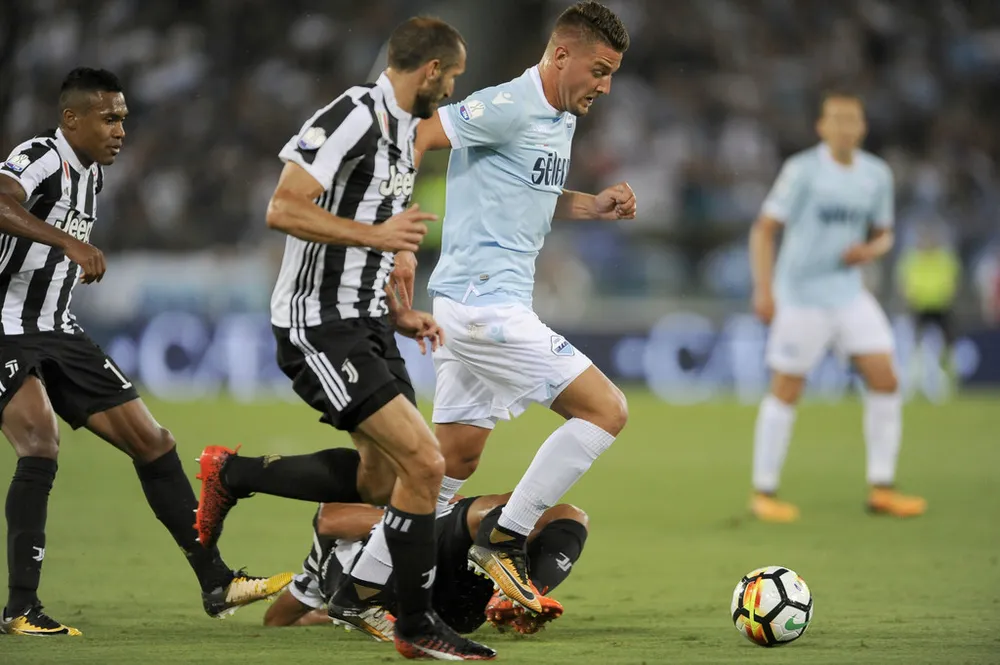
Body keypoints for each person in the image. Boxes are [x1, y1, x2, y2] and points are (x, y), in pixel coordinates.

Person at [193, 17, 495, 661]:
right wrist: (379, 238)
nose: (452, 89)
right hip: (316, 324)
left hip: (365, 321)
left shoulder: (404, 135)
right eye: (454, 76)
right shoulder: (354, 114)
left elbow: (372, 230)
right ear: (433, 71)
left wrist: (398, 311)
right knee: (427, 463)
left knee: (383, 481)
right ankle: (415, 624)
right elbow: (283, 206)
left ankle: (233, 474)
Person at [342, 0, 634, 617]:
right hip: (483, 306)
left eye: (611, 75)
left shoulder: (560, 115)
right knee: (606, 410)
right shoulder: (508, 105)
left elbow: (530, 196)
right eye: (599, 70)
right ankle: (503, 539)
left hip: (474, 305)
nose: (605, 87)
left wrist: (593, 206)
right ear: (561, 55)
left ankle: (359, 590)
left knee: (449, 467)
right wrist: (397, 234)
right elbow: (419, 135)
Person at [0, 68, 290, 637]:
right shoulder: (39, 156)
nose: (120, 130)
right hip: (5, 325)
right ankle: (19, 609)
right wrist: (69, 242)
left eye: (124, 119)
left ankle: (216, 581)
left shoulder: (92, 178)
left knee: (154, 442)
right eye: (109, 118)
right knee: (40, 442)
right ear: (71, 119)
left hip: (56, 328)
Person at [747, 90, 927, 523]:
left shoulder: (876, 174)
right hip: (801, 295)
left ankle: (882, 486)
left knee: (885, 377)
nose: (845, 127)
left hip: (848, 292)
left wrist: (871, 251)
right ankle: (763, 491)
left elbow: (884, 233)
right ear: (822, 127)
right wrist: (764, 289)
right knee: (788, 388)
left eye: (852, 120)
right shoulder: (803, 170)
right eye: (836, 119)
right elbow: (763, 229)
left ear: (862, 127)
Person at [262, 471, 587, 639]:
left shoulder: (417, 484)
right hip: (396, 592)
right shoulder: (346, 495)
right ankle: (512, 585)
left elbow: (278, 618)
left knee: (568, 515)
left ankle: (521, 594)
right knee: (495, 508)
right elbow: (331, 521)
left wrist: (529, 537)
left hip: (456, 605)